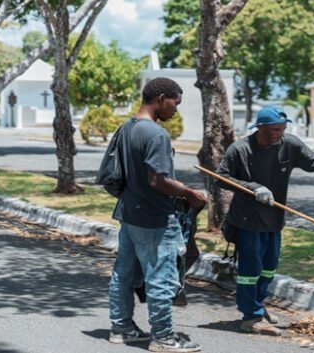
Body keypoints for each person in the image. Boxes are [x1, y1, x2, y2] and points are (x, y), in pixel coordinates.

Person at [217, 105, 314, 336]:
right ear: (260, 128)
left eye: (282, 129)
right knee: (251, 270)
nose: (279, 134)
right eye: (274, 130)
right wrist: (253, 188)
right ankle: (250, 317)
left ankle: (258, 306)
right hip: (247, 220)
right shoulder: (240, 150)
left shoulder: (289, 145)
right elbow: (221, 177)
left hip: (274, 219)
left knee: (269, 269)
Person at [108, 77, 207, 353]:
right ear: (161, 98)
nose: (176, 109)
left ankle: (121, 328)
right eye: (175, 102)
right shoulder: (156, 134)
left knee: (123, 274)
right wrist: (190, 194)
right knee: (160, 279)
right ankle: (163, 338)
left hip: (129, 213)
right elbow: (158, 181)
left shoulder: (128, 127)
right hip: (154, 218)